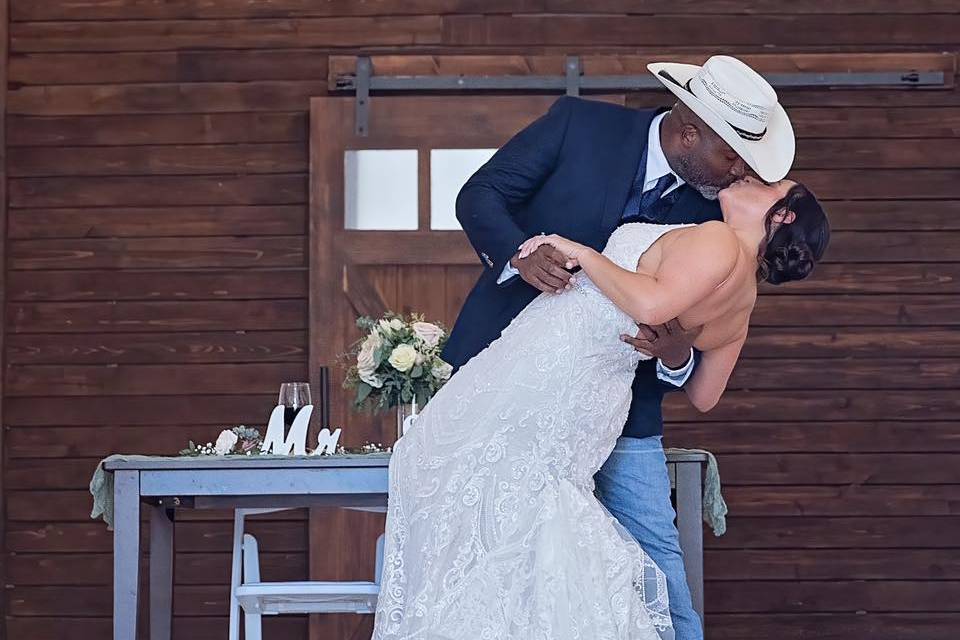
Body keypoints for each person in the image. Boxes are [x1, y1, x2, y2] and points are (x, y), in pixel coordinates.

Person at [373, 174, 829, 640]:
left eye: (773, 183)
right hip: (593, 394)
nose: (753, 176)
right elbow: (705, 394)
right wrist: (675, 354)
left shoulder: (719, 239)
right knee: (525, 508)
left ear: (785, 213)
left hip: (552, 372)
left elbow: (650, 304)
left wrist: (585, 255)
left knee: (471, 481)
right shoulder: (744, 303)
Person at [436, 55, 796, 639]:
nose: (740, 174)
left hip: (622, 412)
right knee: (480, 541)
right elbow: (480, 196)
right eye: (732, 155)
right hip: (503, 382)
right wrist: (520, 252)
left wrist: (676, 352)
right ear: (688, 133)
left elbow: (701, 354)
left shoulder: (726, 215)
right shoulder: (580, 125)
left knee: (656, 554)